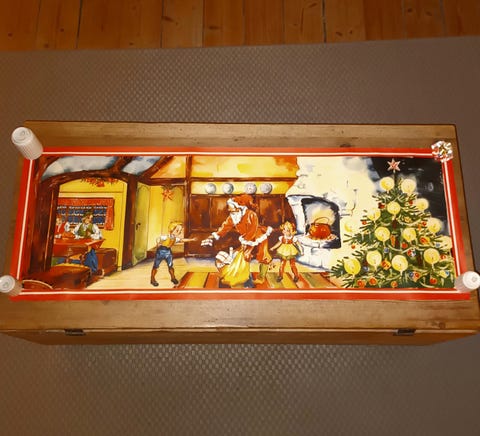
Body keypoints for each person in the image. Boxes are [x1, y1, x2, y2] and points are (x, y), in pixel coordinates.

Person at [202, 194, 273, 287]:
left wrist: (247, 244)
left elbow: (253, 230)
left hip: (259, 237)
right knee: (244, 256)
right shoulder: (233, 216)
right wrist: (213, 236)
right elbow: (225, 227)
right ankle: (242, 275)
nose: (229, 209)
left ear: (238, 207)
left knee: (263, 256)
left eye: (231, 207)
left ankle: (261, 278)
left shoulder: (251, 214)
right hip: (246, 238)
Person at [151, 221, 195, 287]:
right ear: (171, 230)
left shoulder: (175, 238)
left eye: (180, 231)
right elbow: (158, 238)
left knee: (170, 266)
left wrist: (191, 240)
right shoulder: (166, 237)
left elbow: (182, 240)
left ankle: (173, 278)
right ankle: (152, 279)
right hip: (161, 251)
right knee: (156, 266)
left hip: (168, 252)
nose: (179, 232)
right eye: (177, 230)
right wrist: (158, 243)